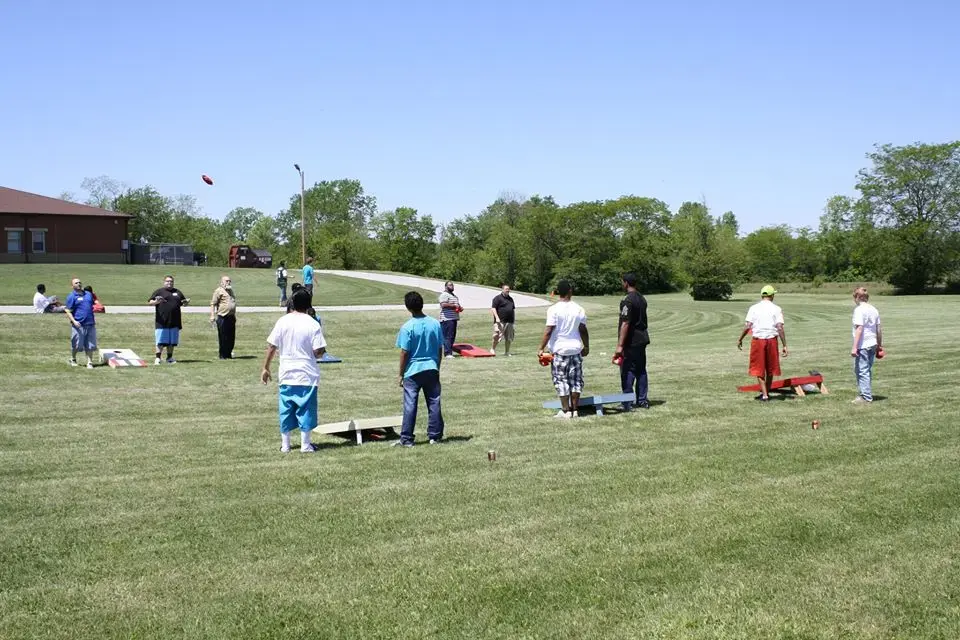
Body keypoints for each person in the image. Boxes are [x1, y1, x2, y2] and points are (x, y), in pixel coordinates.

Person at [261, 289, 327, 453]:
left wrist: (265, 367)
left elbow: (271, 347)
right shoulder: (313, 323)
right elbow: (318, 351)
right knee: (306, 409)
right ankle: (305, 445)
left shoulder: (282, 321)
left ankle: (286, 445)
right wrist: (320, 353)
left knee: (286, 409)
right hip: (306, 374)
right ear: (308, 305)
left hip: (286, 372)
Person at [395, 291, 444, 447]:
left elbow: (404, 352)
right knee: (434, 402)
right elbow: (439, 348)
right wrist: (437, 366)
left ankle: (407, 439)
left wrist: (400, 374)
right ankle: (435, 436)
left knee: (410, 405)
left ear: (408, 308)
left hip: (412, 371)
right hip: (431, 367)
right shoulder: (435, 324)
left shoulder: (407, 327)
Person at [537, 280, 589, 418]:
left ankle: (566, 410)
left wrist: (541, 348)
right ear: (570, 291)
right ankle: (575, 410)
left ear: (559, 292)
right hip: (576, 350)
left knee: (561, 380)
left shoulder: (553, 309)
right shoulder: (579, 309)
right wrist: (586, 346)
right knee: (576, 380)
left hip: (559, 350)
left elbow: (549, 330)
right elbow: (583, 330)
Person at [737, 285, 788, 401]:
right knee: (770, 368)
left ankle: (764, 395)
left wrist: (740, 339)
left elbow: (748, 326)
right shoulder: (777, 309)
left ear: (762, 295)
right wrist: (784, 344)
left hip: (758, 340)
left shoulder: (753, 308)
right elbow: (780, 327)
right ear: (772, 295)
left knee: (758, 368)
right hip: (772, 340)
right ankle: (767, 393)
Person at [615, 273, 650, 410]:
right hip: (642, 338)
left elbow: (625, 323)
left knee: (628, 370)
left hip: (631, 340)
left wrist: (620, 345)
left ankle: (627, 401)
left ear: (626, 283)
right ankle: (642, 400)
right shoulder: (642, 298)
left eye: (622, 282)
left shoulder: (627, 300)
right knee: (641, 369)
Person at [148, 275, 190, 365]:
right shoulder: (159, 291)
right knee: (160, 341)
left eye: (171, 281)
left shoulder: (177, 292)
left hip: (175, 321)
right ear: (164, 282)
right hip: (162, 321)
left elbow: (183, 303)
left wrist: (186, 302)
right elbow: (150, 302)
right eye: (167, 281)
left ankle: (169, 358)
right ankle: (158, 358)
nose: (169, 283)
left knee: (172, 342)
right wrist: (157, 301)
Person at [851, 286, 882, 404]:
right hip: (873, 343)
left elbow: (859, 329)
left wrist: (854, 347)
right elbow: (879, 329)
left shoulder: (859, 310)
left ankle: (866, 397)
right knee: (865, 370)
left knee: (862, 370)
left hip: (863, 344)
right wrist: (879, 345)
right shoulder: (874, 309)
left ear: (857, 297)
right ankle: (864, 393)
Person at [63, 277, 97, 368]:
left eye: (79, 282)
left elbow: (92, 305)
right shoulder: (71, 296)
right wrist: (74, 321)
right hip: (78, 324)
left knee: (90, 344)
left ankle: (89, 362)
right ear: (72, 286)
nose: (79, 284)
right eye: (76, 283)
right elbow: (68, 310)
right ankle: (73, 359)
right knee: (77, 345)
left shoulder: (88, 294)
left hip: (90, 323)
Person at [210, 275, 237, 360]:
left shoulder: (231, 291)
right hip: (222, 317)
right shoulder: (218, 291)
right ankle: (222, 355)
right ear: (222, 282)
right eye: (226, 281)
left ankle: (228, 353)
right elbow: (213, 303)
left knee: (231, 337)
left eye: (229, 281)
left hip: (231, 317)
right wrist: (212, 315)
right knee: (223, 337)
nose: (228, 282)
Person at [490, 284, 516, 356]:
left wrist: (513, 320)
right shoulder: (497, 298)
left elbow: (512, 309)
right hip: (500, 321)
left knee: (509, 337)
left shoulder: (511, 299)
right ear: (502, 290)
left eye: (508, 289)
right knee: (496, 335)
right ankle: (492, 349)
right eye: (506, 289)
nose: (508, 290)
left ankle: (507, 352)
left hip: (509, 321)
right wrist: (497, 318)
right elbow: (493, 308)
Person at [438, 281, 461, 358]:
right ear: (445, 287)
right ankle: (448, 353)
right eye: (450, 285)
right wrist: (455, 306)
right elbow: (443, 304)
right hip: (447, 319)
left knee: (452, 336)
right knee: (448, 336)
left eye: (452, 285)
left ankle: (449, 352)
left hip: (453, 318)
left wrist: (459, 307)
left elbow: (456, 305)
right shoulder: (444, 295)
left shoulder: (453, 295)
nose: (452, 286)